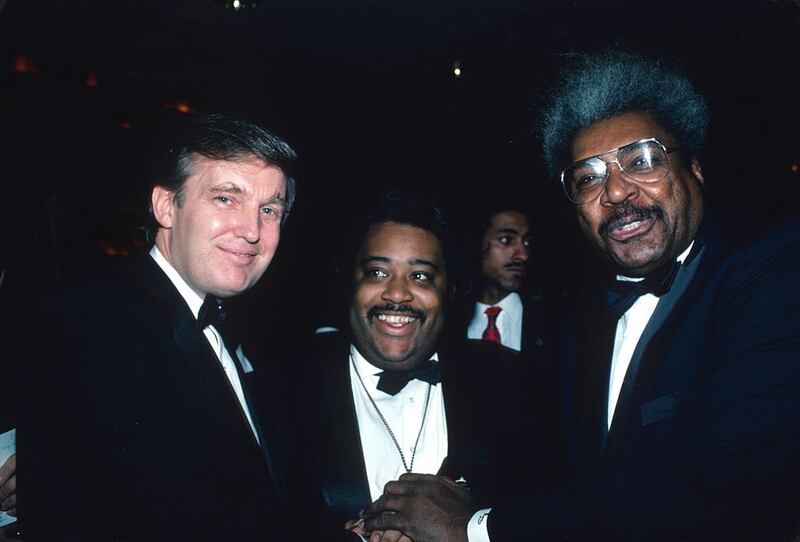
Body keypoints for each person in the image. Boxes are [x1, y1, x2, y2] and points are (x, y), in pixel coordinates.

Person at [360, 49, 800, 541]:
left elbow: (708, 486)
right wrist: (434, 502)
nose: (615, 192)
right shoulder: (580, 323)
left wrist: (476, 528)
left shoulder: (776, 272)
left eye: (641, 160)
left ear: (694, 169)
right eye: (588, 177)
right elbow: (548, 466)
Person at [22, 114, 299, 540]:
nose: (251, 230)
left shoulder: (232, 327)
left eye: (269, 209)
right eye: (226, 199)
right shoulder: (96, 320)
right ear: (166, 206)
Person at [297, 191, 559, 539]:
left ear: (449, 290)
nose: (397, 294)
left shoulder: (513, 380)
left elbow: (550, 515)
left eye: (420, 276)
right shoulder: (286, 391)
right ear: (350, 281)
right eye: (377, 272)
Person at [462, 207, 548, 354]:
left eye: (527, 242)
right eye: (507, 240)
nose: (523, 255)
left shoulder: (551, 322)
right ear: (478, 243)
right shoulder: (448, 320)